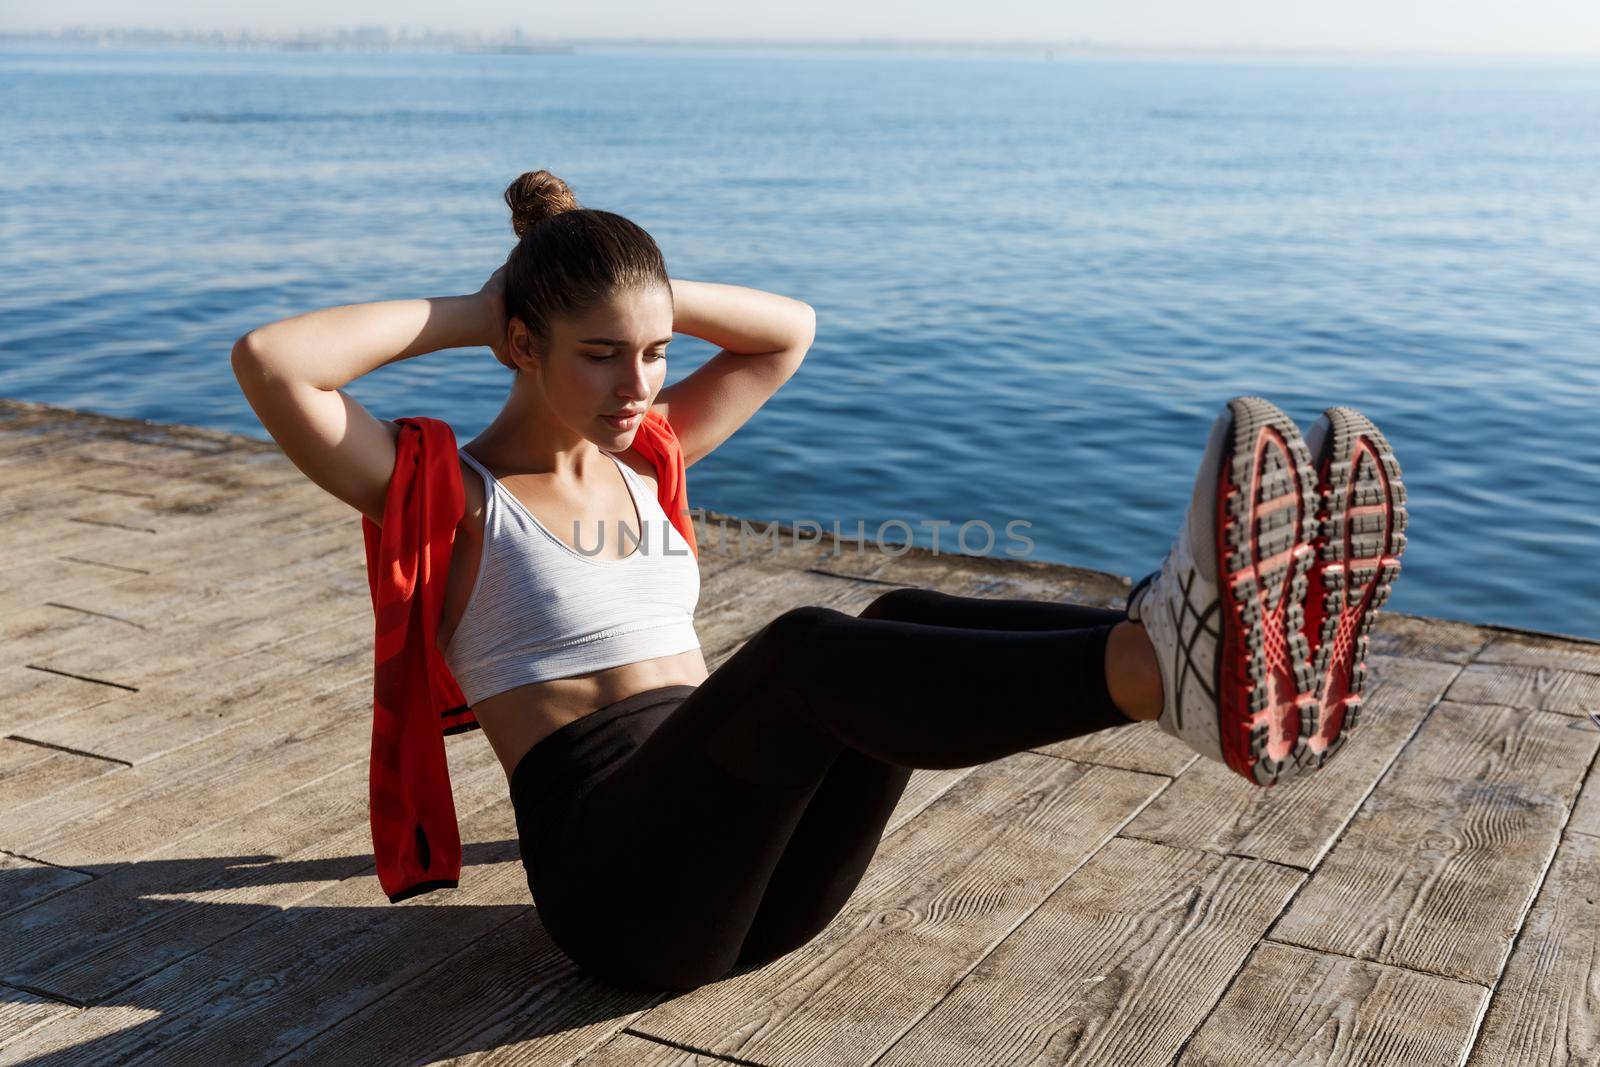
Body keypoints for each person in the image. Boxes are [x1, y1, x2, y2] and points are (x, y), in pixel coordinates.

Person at [230, 169, 1407, 993]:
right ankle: (1158, 665)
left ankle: (1185, 649)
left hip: (766, 882)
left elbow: (786, 330)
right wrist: (492, 303)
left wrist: (628, 289)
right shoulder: (442, 488)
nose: (637, 381)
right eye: (597, 352)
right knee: (799, 649)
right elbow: (273, 360)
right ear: (521, 344)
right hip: (620, 895)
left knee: (885, 621)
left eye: (652, 350)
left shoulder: (652, 461)